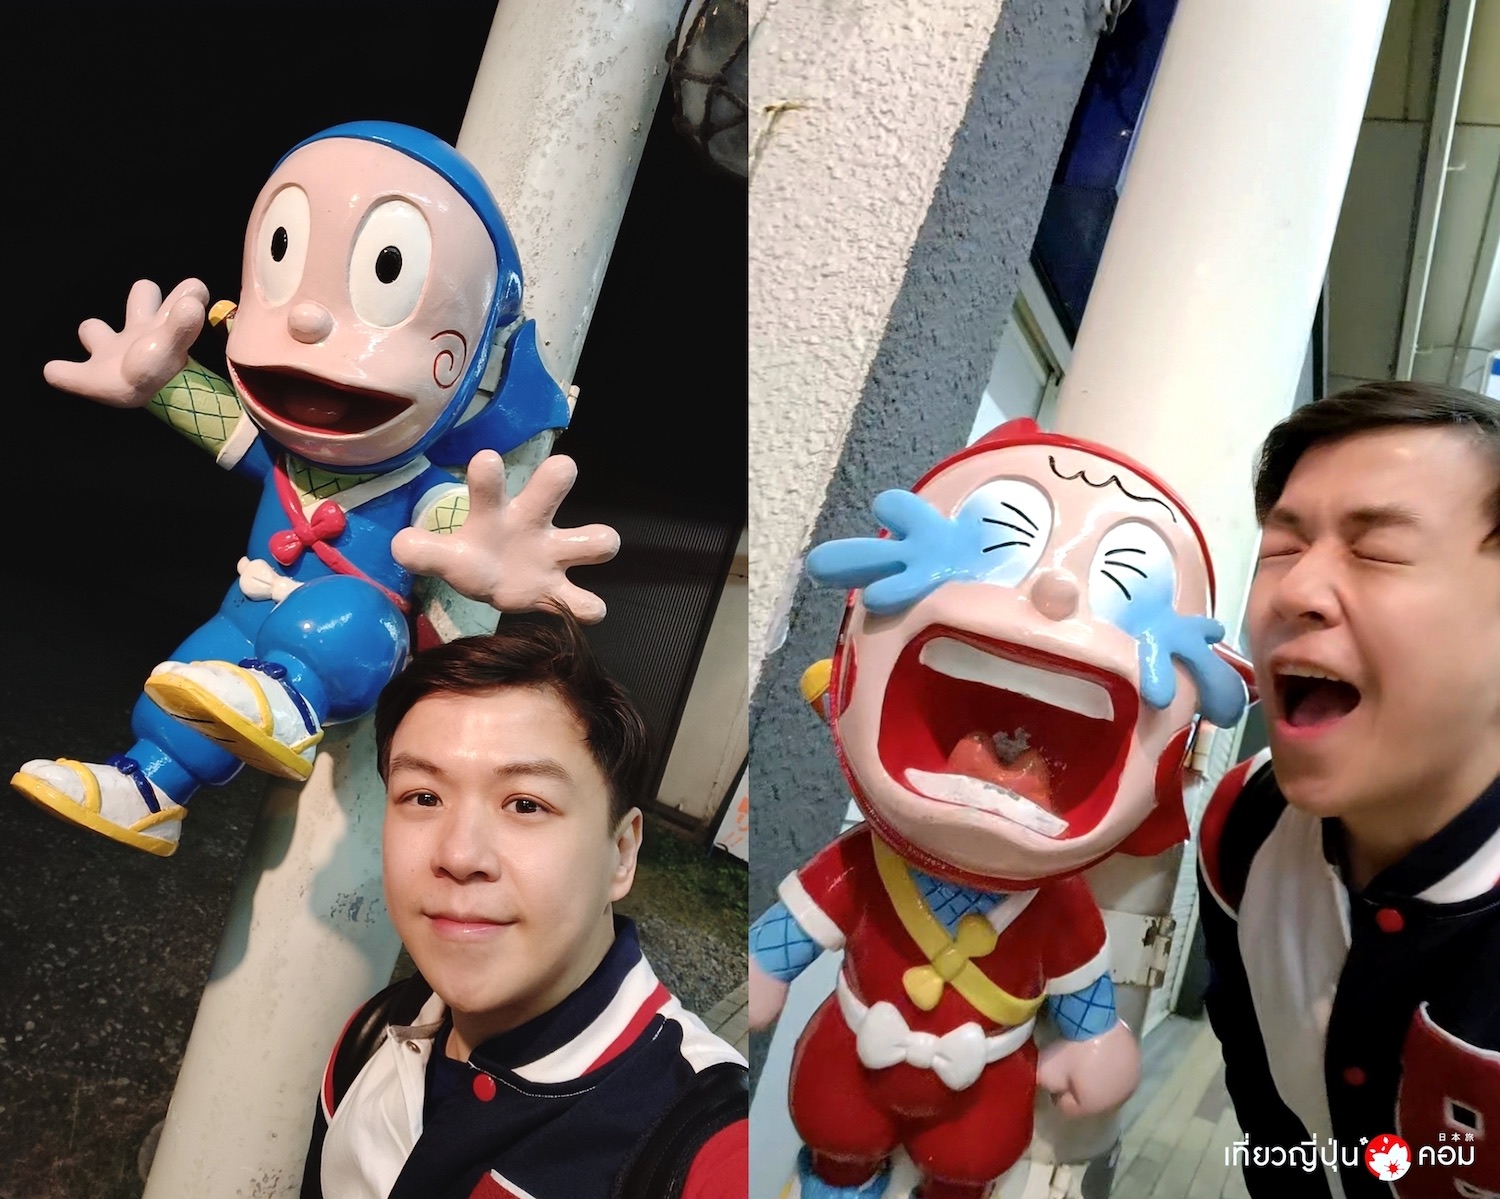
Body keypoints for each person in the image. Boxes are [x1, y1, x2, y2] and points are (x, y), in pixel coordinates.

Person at [300, 609, 748, 1199]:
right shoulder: (374, 1036)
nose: (459, 855)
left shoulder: (700, 1139)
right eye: (423, 796)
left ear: (621, 853)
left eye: (526, 805)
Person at [1197, 382, 1499, 1199]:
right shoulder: (1243, 826)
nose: (1294, 591)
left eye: (1377, 550)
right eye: (1281, 548)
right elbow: (1265, 1103)